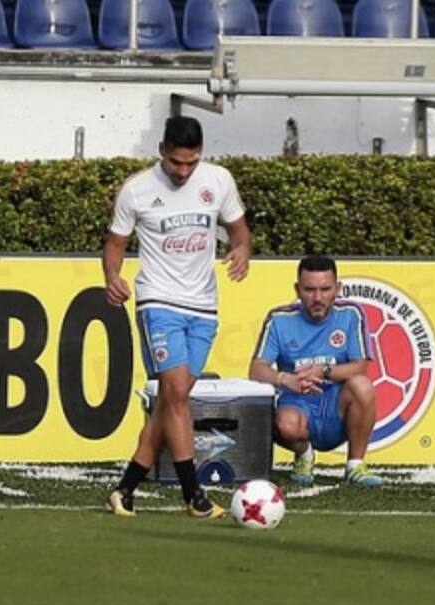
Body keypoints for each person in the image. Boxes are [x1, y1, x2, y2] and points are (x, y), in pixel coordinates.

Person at [103, 115, 253, 518]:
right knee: (175, 392)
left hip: (203, 306)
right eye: (176, 163)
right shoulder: (136, 190)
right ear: (162, 152)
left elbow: (239, 231)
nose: (184, 171)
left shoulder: (218, 180)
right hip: (158, 302)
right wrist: (112, 276)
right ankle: (194, 494)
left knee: (175, 398)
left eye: (191, 163)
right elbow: (115, 243)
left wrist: (241, 249)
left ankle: (126, 487)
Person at [248, 255, 383, 488]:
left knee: (362, 385)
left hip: (335, 408)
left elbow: (360, 366)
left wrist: (324, 371)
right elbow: (256, 369)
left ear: (337, 289)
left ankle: (355, 465)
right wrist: (285, 379)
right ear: (297, 290)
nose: (318, 298)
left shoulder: (351, 314)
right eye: (310, 290)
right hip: (297, 404)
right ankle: (304, 453)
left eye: (325, 289)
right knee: (281, 422)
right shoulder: (279, 319)